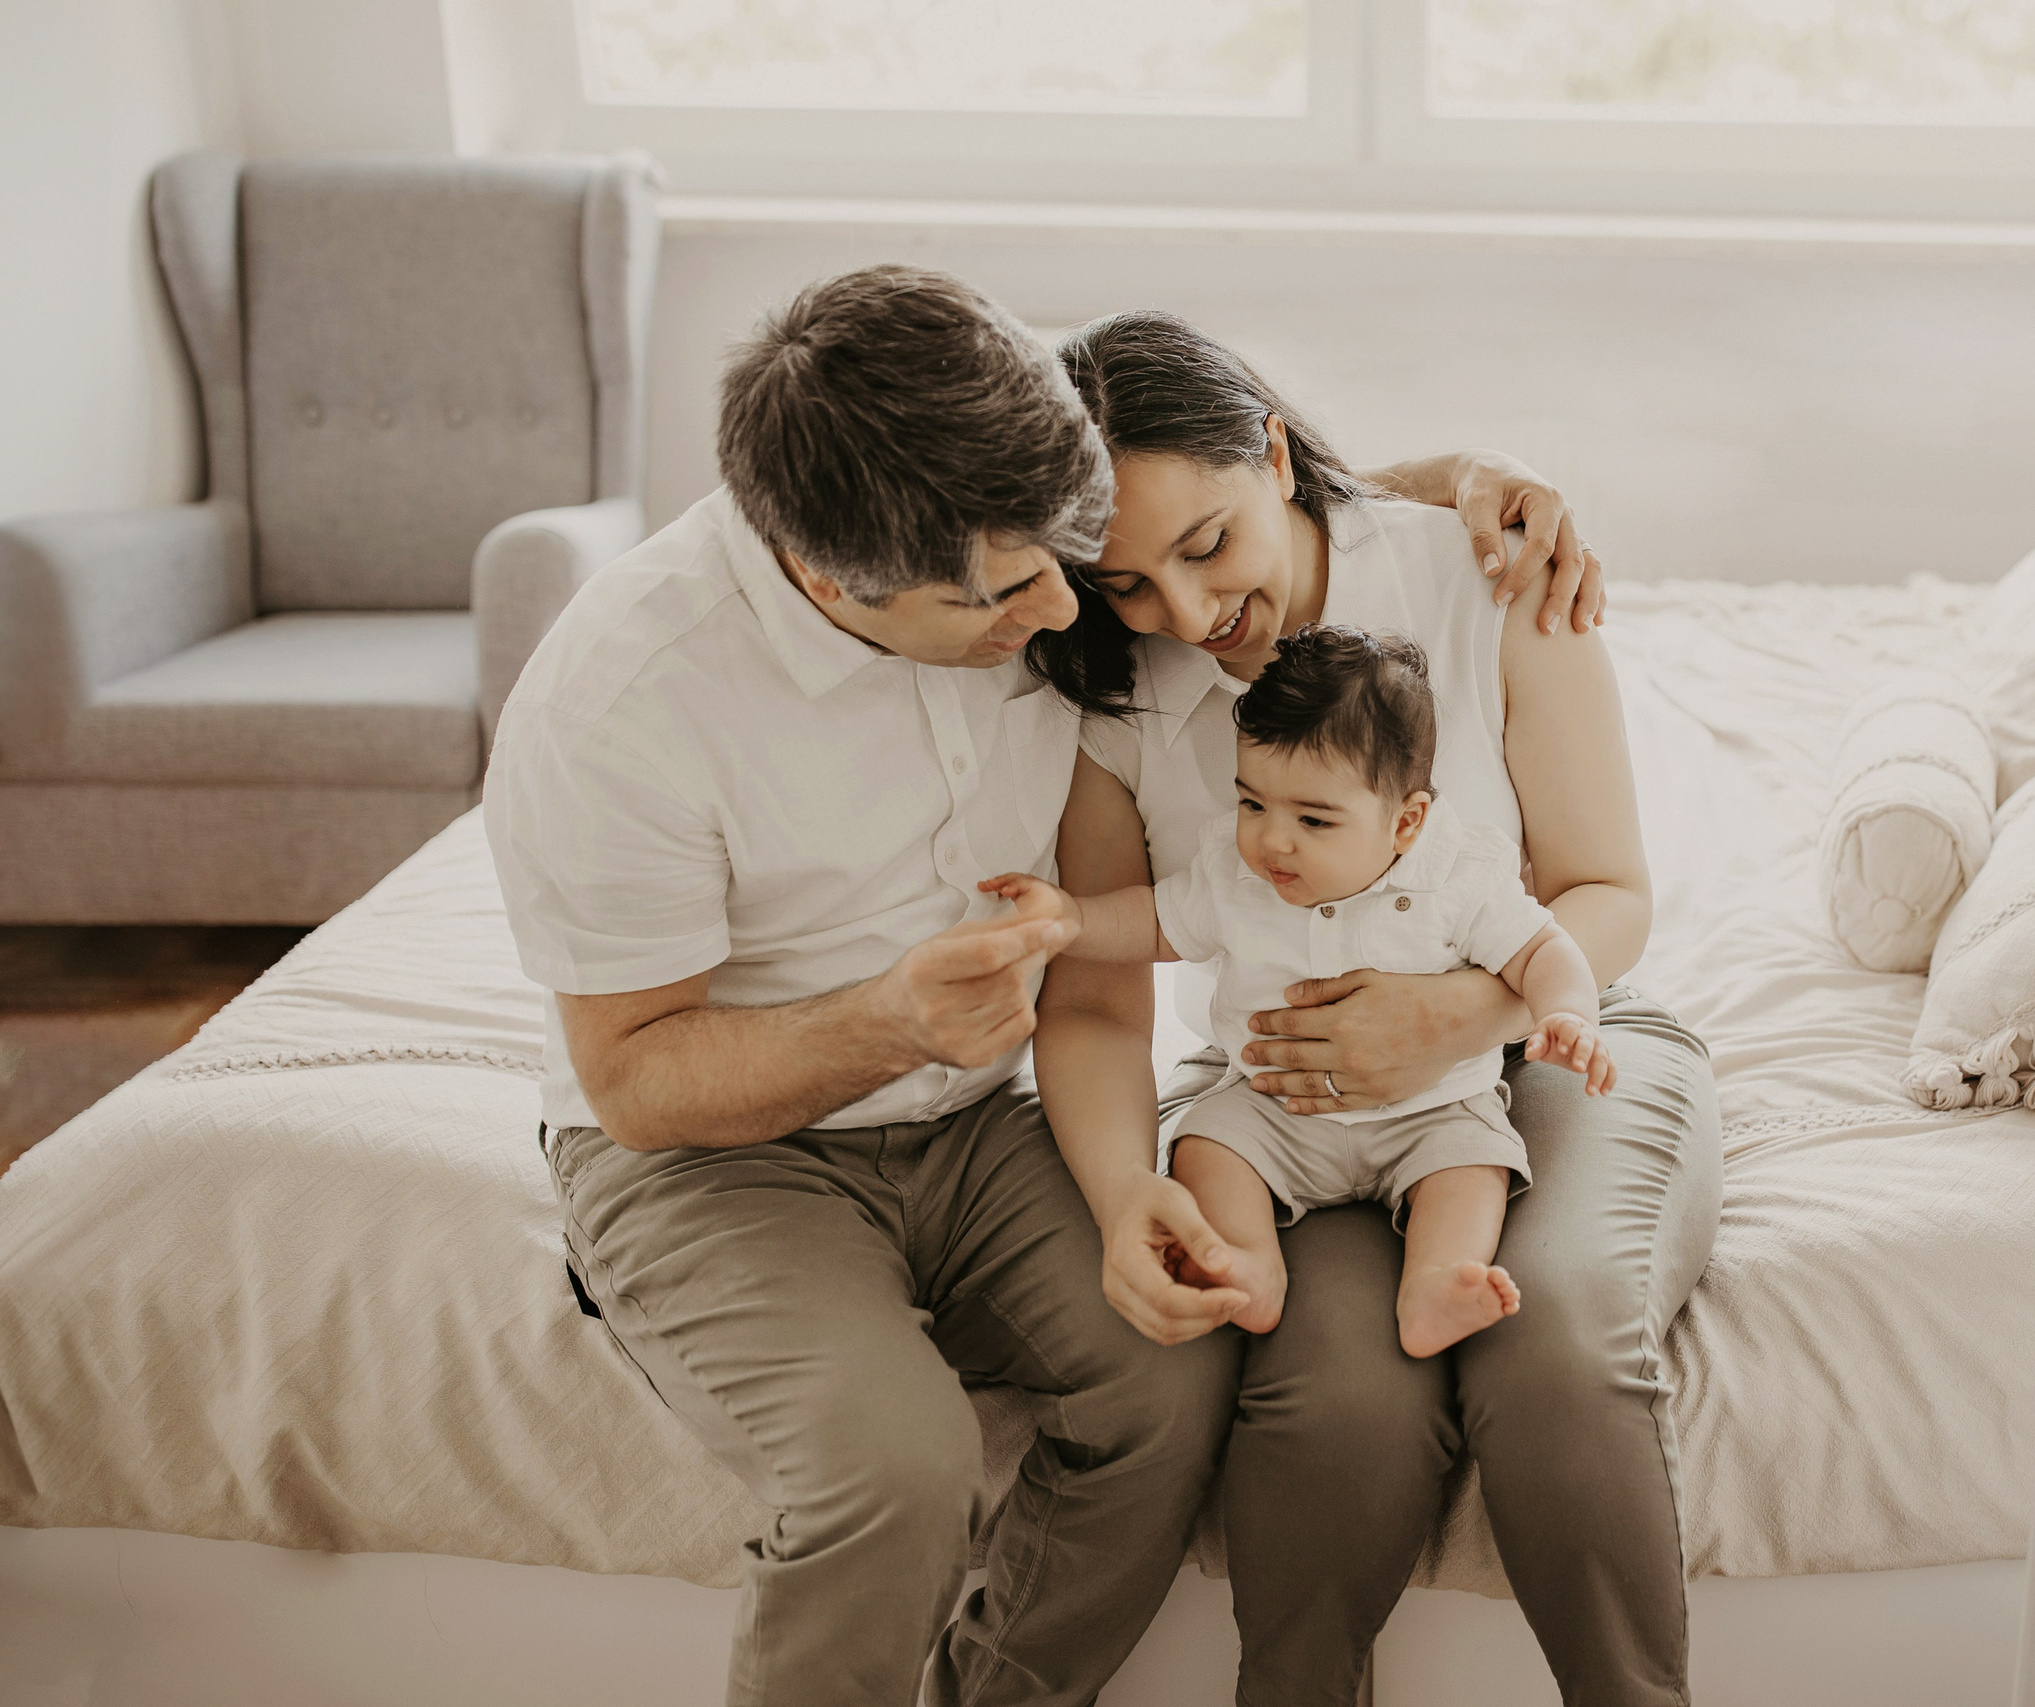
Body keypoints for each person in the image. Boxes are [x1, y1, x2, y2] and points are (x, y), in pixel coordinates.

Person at [482, 264, 1600, 1707]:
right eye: (1013, 592)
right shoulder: (625, 702)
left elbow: (1228, 496)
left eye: (1076, 558)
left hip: (975, 1119)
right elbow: (634, 1078)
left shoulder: (1028, 529)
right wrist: (884, 1019)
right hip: (716, 1152)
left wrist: (1466, 484)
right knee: (896, 1469)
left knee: (1172, 1368)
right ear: (835, 584)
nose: (1086, 608)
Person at [1025, 311, 1724, 1706]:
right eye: (1131, 582)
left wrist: (1460, 1015)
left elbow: (1605, 887)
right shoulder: (1116, 692)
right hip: (1293, 1107)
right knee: (1333, 1406)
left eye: (1211, 543)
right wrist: (1122, 1197)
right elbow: (1099, 997)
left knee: (1557, 1354)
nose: (1187, 612)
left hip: (1563, 1036)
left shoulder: (1485, 576)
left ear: (1273, 454)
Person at [985, 624, 1614, 1359]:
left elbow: (1544, 949)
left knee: (1474, 1164)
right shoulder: (1234, 868)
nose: (1272, 842)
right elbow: (1155, 922)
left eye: (1313, 819)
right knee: (1205, 1143)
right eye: (1254, 804)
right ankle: (1248, 1262)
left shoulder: (1458, 873)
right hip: (1274, 1104)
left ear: (1406, 821)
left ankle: (1437, 1283)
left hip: (1432, 1107)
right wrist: (1072, 918)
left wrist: (1569, 1011)